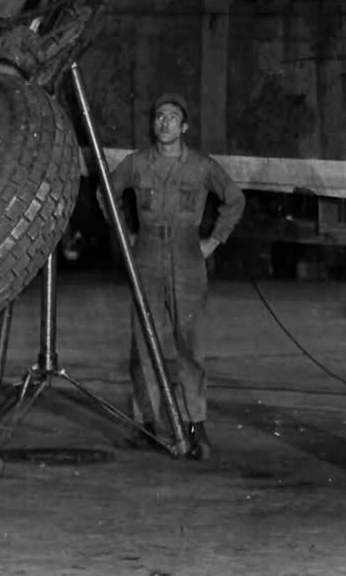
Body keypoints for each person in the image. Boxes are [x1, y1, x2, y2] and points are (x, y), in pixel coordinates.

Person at [103, 92, 244, 459]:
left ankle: (196, 426)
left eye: (172, 117)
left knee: (189, 344)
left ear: (184, 127)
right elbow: (108, 193)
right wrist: (126, 234)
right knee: (145, 341)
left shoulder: (200, 166)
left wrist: (214, 241)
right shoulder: (137, 163)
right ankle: (146, 425)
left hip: (186, 257)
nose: (164, 122)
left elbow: (234, 199)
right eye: (159, 116)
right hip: (146, 254)